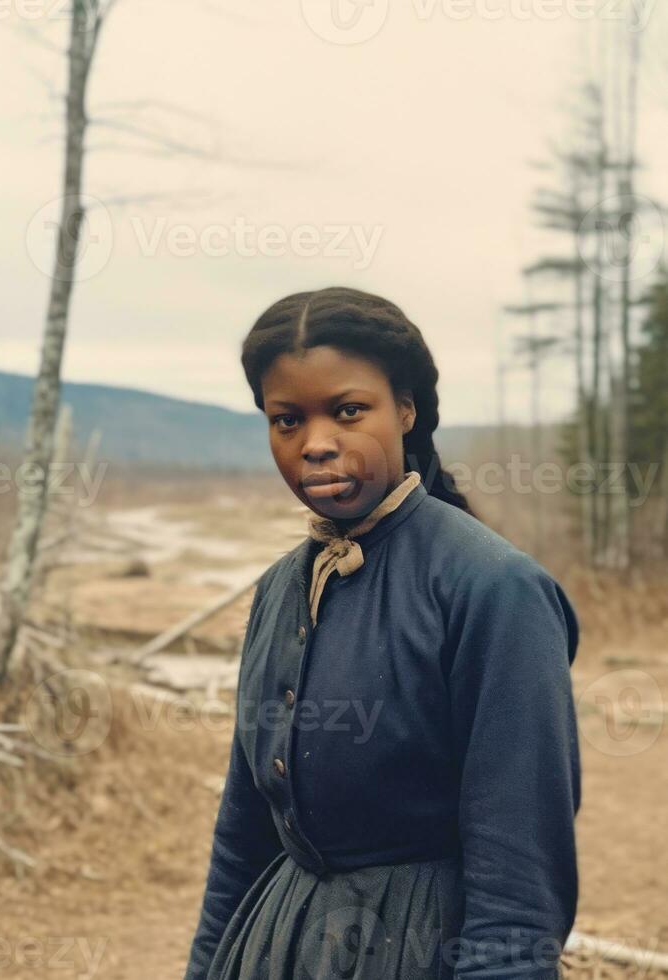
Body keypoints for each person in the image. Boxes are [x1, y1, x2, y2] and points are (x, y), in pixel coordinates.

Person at [183, 286, 581, 980]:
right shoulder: (282, 589)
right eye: (286, 420)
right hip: (276, 946)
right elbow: (243, 837)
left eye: (347, 411)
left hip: (423, 950)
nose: (315, 445)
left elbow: (520, 875)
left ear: (406, 409)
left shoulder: (493, 591)